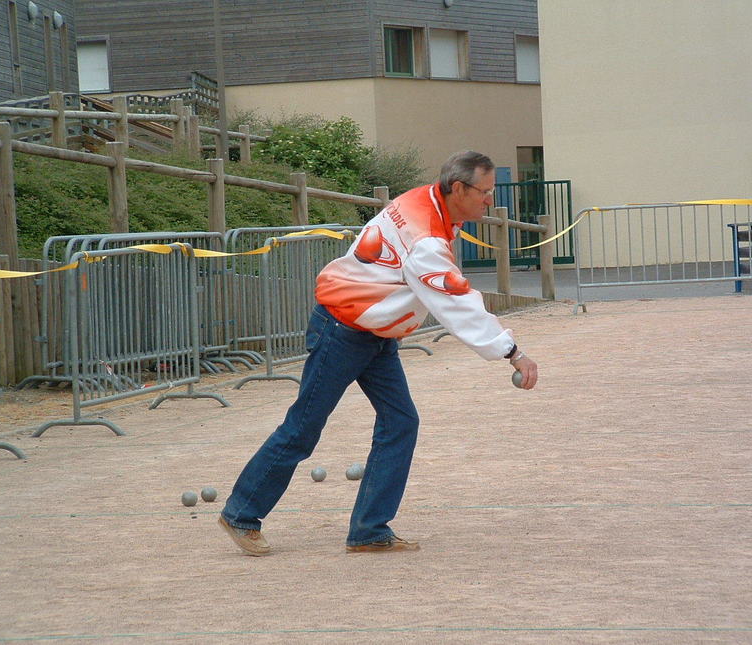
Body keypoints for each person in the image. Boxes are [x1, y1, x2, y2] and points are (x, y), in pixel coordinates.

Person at [218, 150, 538, 555]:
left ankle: (369, 529)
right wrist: (512, 351)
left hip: (374, 333)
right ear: (458, 188)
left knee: (400, 422)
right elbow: (456, 303)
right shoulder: (426, 239)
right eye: (485, 192)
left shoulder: (424, 201)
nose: (490, 201)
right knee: (303, 428)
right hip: (343, 329)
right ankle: (241, 513)